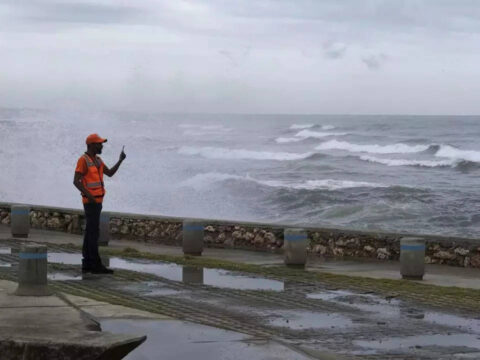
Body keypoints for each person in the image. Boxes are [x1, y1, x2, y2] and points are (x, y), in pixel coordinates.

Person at [73, 133, 126, 274]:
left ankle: (87, 264)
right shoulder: (83, 160)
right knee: (93, 233)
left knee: (90, 232)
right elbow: (76, 181)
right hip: (91, 202)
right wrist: (89, 196)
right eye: (99, 143)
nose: (102, 146)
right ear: (91, 145)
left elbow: (109, 173)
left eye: (101, 143)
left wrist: (120, 161)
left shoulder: (98, 160)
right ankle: (95, 265)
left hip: (97, 202)